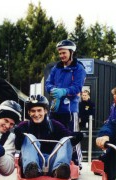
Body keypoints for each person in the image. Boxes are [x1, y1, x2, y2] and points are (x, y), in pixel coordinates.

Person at [14, 95, 83, 179]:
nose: (36, 114)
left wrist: (75, 136)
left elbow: (68, 136)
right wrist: (19, 136)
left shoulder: (54, 125)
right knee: (29, 137)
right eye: (33, 111)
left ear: (45, 111)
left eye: (39, 110)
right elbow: (17, 146)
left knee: (66, 140)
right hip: (34, 162)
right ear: (29, 112)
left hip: (52, 162)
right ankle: (31, 170)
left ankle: (59, 170)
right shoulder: (24, 126)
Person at [45, 39, 86, 169]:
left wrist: (64, 91)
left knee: (72, 135)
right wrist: (52, 90)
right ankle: (54, 159)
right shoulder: (56, 68)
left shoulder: (78, 68)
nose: (62, 56)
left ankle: (77, 162)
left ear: (71, 52)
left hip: (70, 109)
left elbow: (77, 87)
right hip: (55, 108)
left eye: (64, 53)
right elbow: (48, 83)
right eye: (60, 53)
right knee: (53, 133)